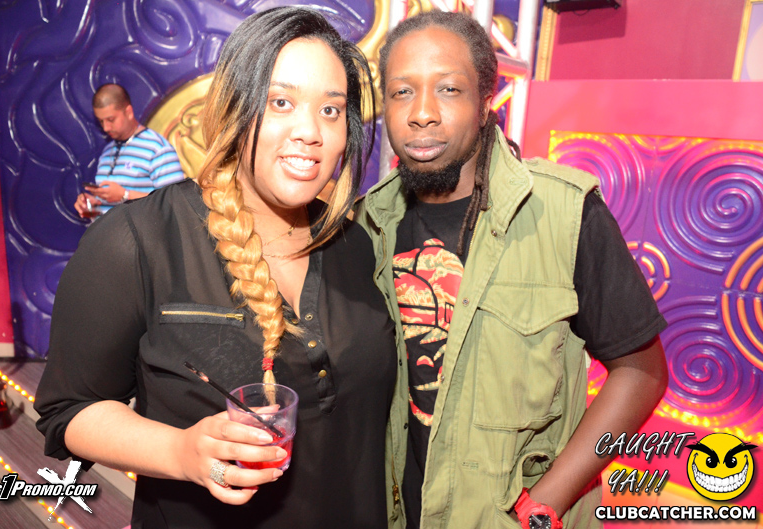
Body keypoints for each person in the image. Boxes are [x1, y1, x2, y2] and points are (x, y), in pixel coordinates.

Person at [36, 8, 395, 528]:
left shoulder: (355, 245)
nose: (310, 131)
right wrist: (181, 452)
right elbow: (69, 410)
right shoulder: (137, 241)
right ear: (233, 108)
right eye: (280, 102)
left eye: (331, 110)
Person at [358, 11, 670, 529]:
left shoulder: (564, 212)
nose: (422, 113)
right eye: (402, 92)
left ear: (486, 103)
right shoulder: (366, 225)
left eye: (449, 89)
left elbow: (642, 372)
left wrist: (546, 503)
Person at [74, 83, 185, 218]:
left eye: (110, 119)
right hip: (111, 232)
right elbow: (113, 207)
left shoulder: (158, 149)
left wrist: (125, 195)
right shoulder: (107, 151)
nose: (106, 128)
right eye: (101, 121)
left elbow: (174, 203)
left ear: (129, 112)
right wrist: (94, 204)